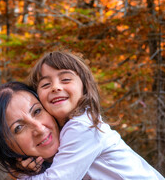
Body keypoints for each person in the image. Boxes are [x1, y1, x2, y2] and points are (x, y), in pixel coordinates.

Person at [22, 50, 164, 179]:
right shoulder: (68, 129)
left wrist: (22, 175)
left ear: (84, 86)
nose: (55, 87)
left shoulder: (82, 126)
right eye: (46, 85)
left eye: (65, 79)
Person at [0, 81, 60, 179]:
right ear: (6, 147)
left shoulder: (79, 126)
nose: (40, 129)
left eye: (37, 111)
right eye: (18, 128)